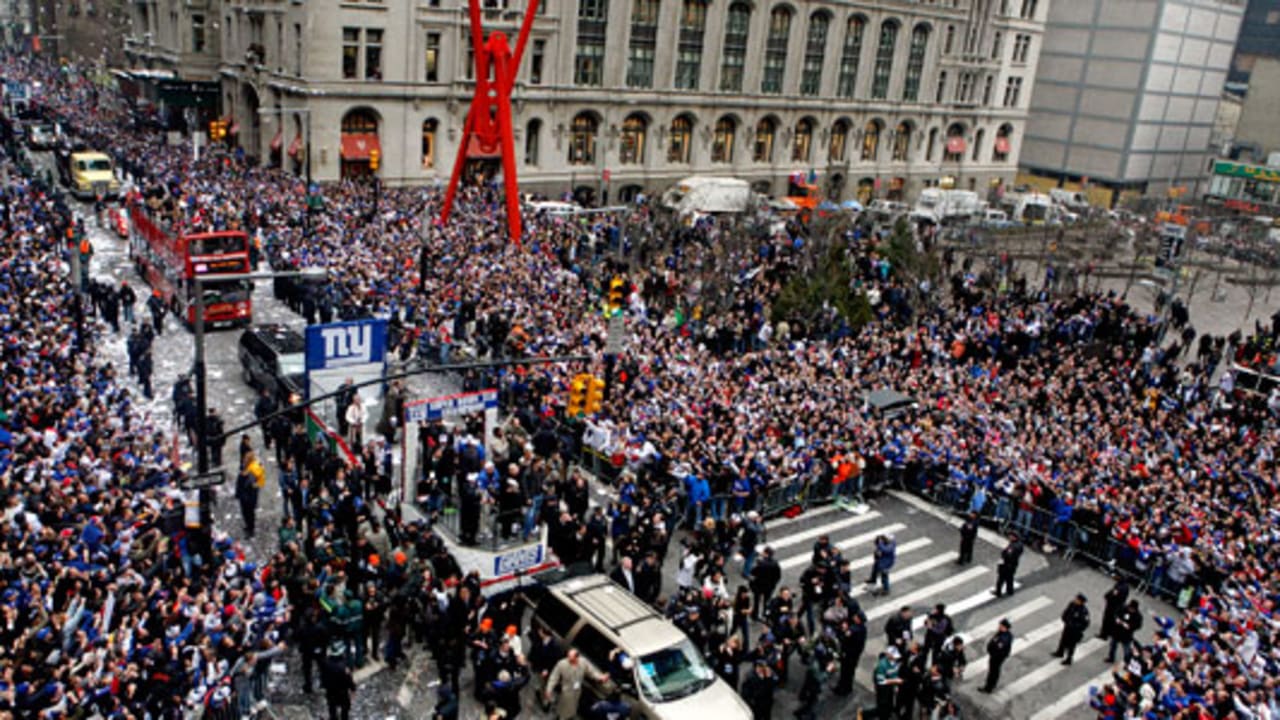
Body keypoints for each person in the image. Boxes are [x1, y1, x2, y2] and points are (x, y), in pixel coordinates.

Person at [545, 649, 607, 720]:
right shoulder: (562, 664)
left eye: (571, 658)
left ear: (577, 657)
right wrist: (549, 689)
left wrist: (600, 677)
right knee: (563, 711)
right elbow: (554, 677)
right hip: (566, 693)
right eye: (568, 657)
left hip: (576, 692)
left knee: (571, 710)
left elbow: (592, 672)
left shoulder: (583, 662)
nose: (568, 659)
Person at [1052, 593, 1091, 665]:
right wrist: (1065, 619)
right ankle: (1060, 652)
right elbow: (1066, 612)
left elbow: (1086, 623)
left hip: (1074, 632)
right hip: (1067, 627)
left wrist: (1076, 627)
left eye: (1077, 599)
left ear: (1080, 601)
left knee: (1071, 646)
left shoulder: (1084, 611)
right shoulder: (1072, 604)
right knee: (1063, 640)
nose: (1075, 599)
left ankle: (1069, 659)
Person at [235, 451, 265, 538]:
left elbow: (255, 487)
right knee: (244, 513)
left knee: (250, 514)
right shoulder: (243, 468)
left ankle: (251, 529)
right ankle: (248, 526)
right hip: (243, 496)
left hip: (249, 497)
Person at [980, 618, 1013, 693]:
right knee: (995, 671)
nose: (999, 627)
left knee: (993, 672)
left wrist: (993, 653)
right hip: (996, 656)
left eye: (1000, 626)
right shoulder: (1003, 633)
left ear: (1005, 627)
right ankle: (992, 685)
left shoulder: (1005, 638)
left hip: (997, 657)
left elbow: (998, 648)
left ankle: (988, 688)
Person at [320, 650, 356, 720]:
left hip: (331, 691)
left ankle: (333, 717)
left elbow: (323, 677)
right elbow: (348, 679)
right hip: (342, 692)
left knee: (332, 706)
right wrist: (353, 689)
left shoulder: (325, 664)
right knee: (344, 708)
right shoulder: (344, 666)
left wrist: (325, 686)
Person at [1105, 599, 1143, 664]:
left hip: (1126, 634)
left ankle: (1127, 661)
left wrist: (1130, 626)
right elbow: (1116, 613)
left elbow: (1138, 626)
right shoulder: (1123, 608)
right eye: (1130, 608)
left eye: (1132, 609)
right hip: (1117, 631)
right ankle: (1111, 657)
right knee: (1113, 645)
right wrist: (1117, 619)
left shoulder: (1138, 616)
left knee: (1127, 650)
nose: (1130, 610)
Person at [749, 546, 781, 620]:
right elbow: (778, 576)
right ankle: (765, 613)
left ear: (766, 554)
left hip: (759, 585)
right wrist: (773, 584)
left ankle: (755, 614)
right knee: (766, 601)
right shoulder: (775, 563)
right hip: (769, 586)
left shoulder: (761, 563)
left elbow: (753, 572)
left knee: (756, 600)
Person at [993, 532, 1022, 597]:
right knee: (1010, 578)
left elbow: (1008, 555)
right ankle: (1010, 591)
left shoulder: (1012, 546)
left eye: (1011, 536)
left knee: (1001, 579)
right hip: (1013, 565)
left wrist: (1003, 558)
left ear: (1014, 537)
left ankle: (998, 592)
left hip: (1006, 565)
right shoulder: (1020, 544)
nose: (1009, 537)